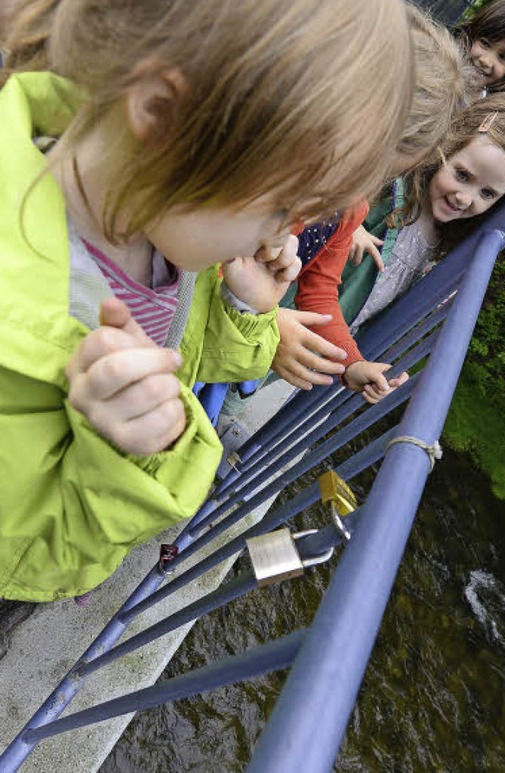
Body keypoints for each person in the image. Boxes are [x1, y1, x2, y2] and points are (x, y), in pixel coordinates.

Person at [0, 0, 414, 602]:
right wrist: (121, 459)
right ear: (161, 114)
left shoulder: (156, 231)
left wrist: (245, 311)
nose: (284, 235)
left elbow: (186, 352)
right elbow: (33, 555)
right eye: (279, 207)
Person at [269, 8, 469, 402]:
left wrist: (352, 365)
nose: (357, 188)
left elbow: (320, 289)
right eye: (360, 164)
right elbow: (207, 263)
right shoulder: (265, 173)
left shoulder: (349, 207)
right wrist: (268, 323)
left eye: (377, 177)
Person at [336, 92, 505, 402]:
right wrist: (346, 221)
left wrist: (377, 373)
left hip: (328, 343)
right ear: (447, 147)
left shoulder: (446, 254)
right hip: (280, 307)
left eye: (488, 193)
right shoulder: (392, 190)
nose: (465, 198)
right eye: (462, 175)